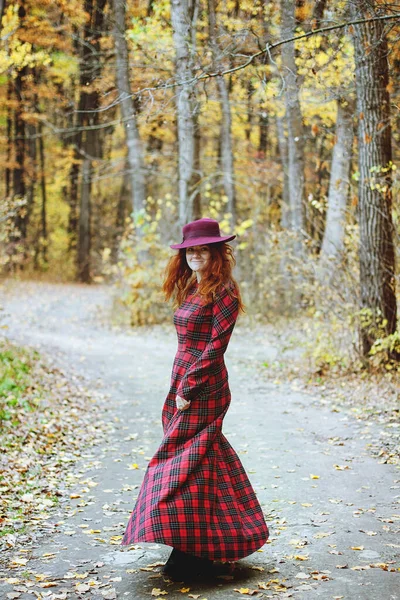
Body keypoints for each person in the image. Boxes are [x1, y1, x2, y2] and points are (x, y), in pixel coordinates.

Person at [121, 217, 269, 580]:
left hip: (204, 387)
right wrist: (177, 385)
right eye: (191, 250)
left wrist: (189, 387)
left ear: (216, 253)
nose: (196, 256)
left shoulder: (225, 292)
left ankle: (192, 549)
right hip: (181, 382)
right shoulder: (193, 287)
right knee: (202, 461)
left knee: (177, 462)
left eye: (204, 250)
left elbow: (215, 346)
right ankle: (203, 548)